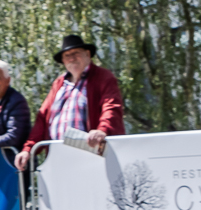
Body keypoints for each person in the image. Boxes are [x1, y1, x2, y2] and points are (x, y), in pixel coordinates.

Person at [17, 34, 126, 171]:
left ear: (87, 54)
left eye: (76, 53)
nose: (72, 58)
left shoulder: (103, 77)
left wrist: (102, 130)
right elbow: (42, 119)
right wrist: (28, 149)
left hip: (91, 155)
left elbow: (111, 107)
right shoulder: (59, 84)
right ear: (63, 61)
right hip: (58, 157)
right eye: (67, 56)